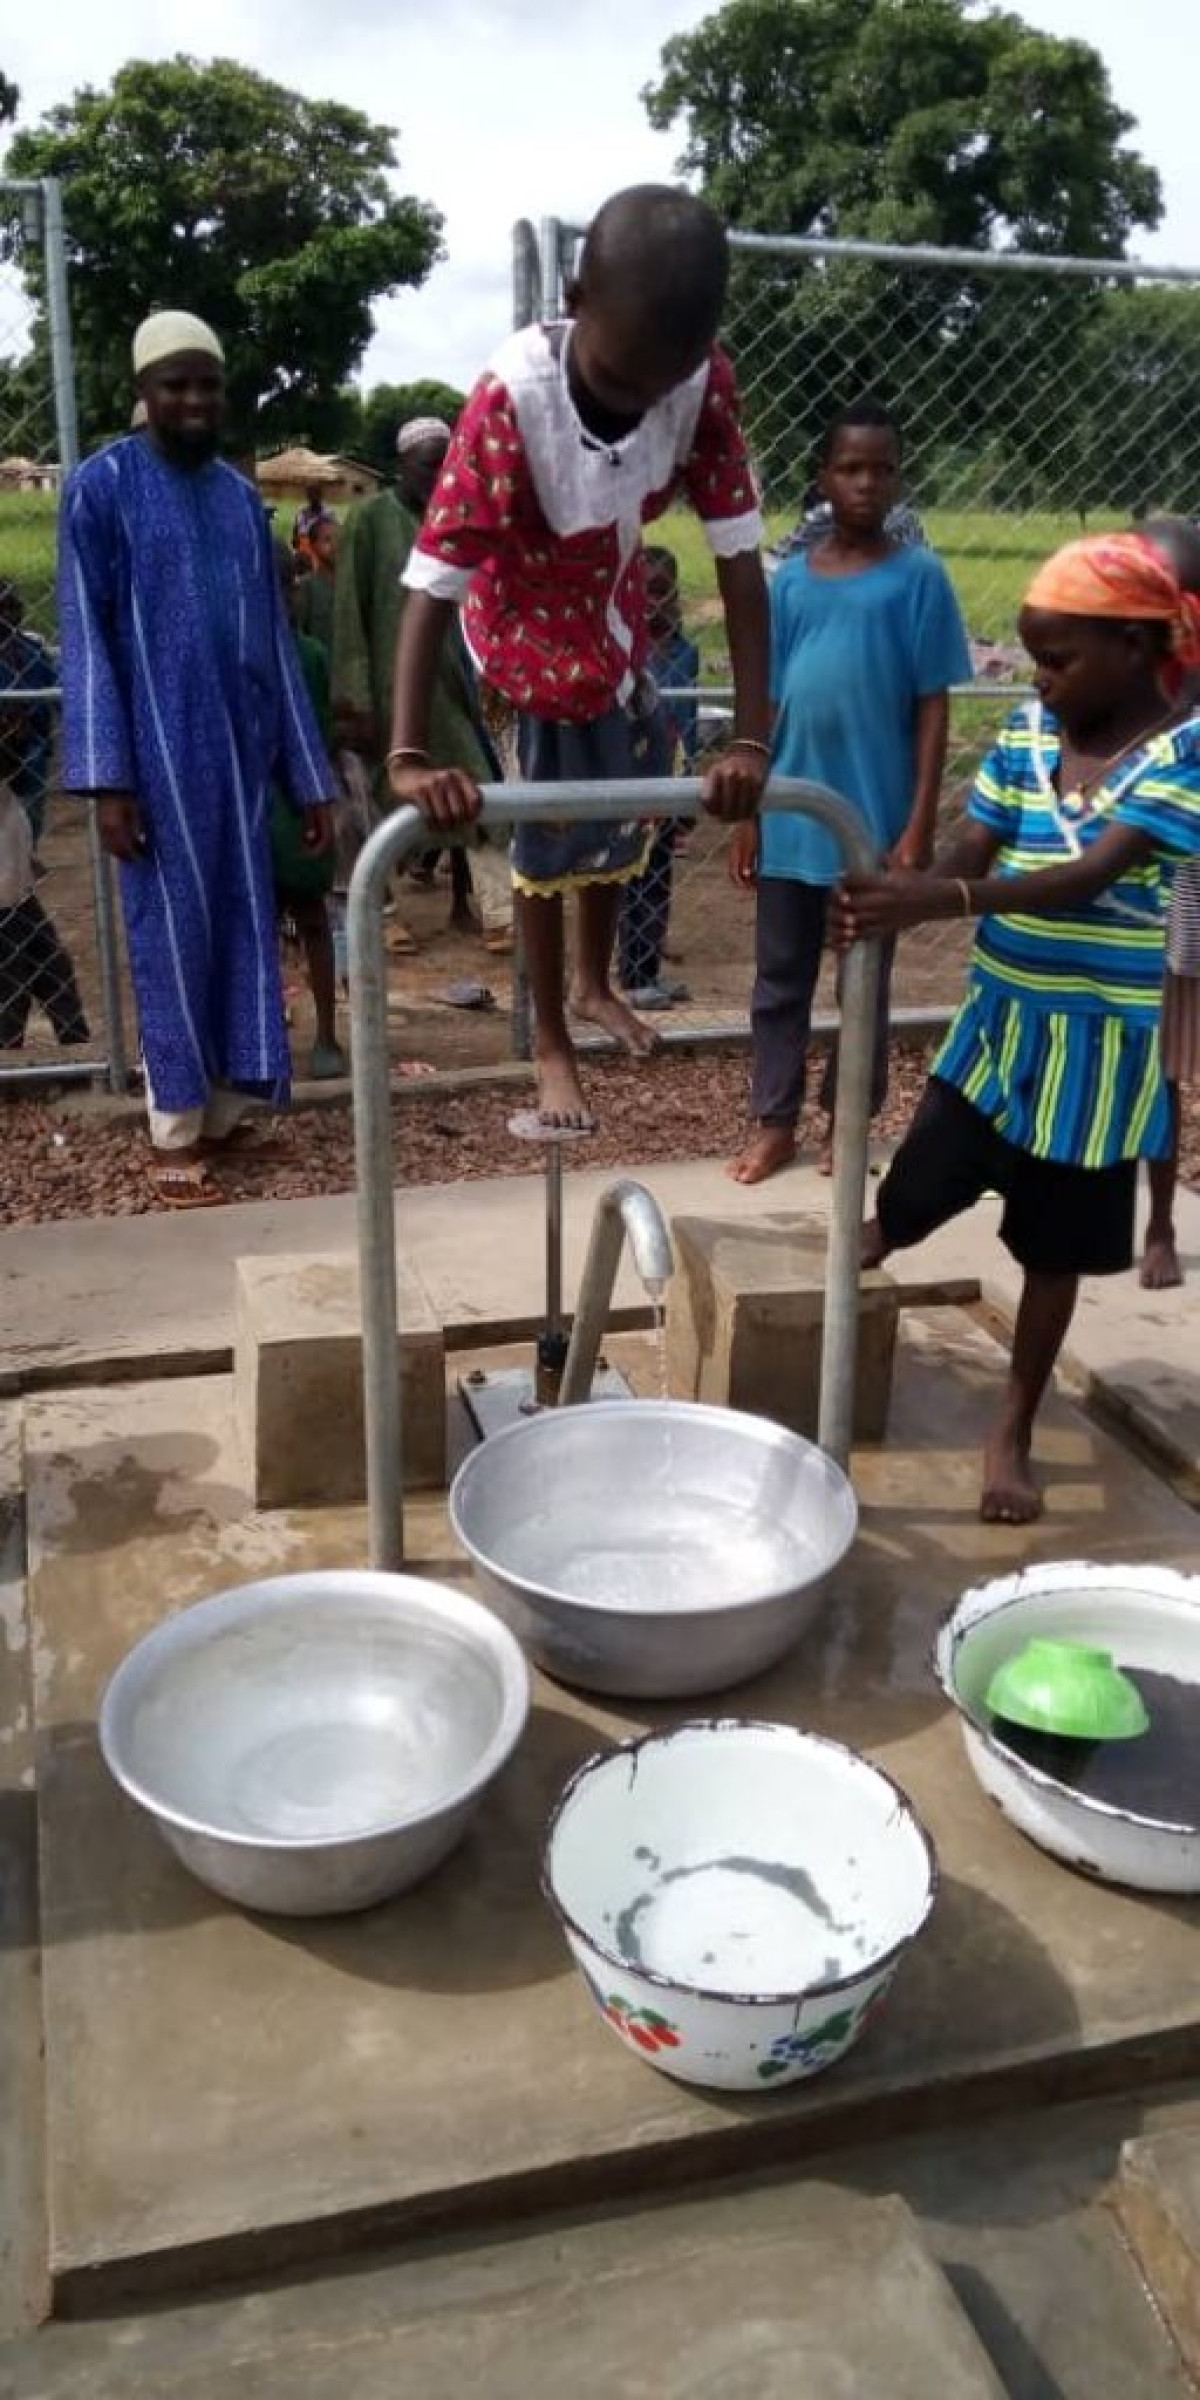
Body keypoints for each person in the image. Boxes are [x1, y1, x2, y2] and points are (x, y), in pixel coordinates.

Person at [831, 532, 1200, 1525]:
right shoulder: (1031, 734)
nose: (1038, 678)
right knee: (913, 1188)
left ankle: (1012, 1427)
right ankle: (835, 1302)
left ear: (1134, 647)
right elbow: (974, 844)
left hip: (1098, 1053)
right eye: (1034, 658)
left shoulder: (1184, 755)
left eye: (1057, 659)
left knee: (1054, 1248)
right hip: (998, 1026)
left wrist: (938, 899)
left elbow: (1089, 875)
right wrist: (904, 893)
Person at [389, 183, 771, 1129]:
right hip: (518, 625)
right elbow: (433, 582)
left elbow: (739, 558)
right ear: (575, 301)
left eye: (659, 384)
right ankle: (552, 1041)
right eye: (618, 378)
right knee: (547, 829)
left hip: (609, 606)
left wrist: (752, 739)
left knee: (621, 797)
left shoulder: (702, 385)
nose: (636, 403)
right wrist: (407, 756)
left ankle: (597, 984)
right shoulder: (511, 400)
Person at [57, 310, 336, 1209]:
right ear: (144, 391)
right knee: (171, 935)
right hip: (156, 761)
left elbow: (277, 646)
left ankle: (223, 1111)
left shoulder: (237, 501)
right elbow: (86, 635)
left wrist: (309, 779)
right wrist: (109, 779)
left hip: (242, 759)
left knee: (243, 930)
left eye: (207, 385)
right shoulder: (101, 488)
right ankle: (173, 1127)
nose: (193, 401)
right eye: (175, 385)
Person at [728, 397, 970, 1184]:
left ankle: (848, 1122)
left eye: (882, 469)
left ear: (898, 480)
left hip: (872, 826)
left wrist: (918, 825)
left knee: (862, 982)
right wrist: (751, 813)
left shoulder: (919, 578)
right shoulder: (792, 583)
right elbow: (767, 704)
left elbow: (932, 706)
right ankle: (774, 1122)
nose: (867, 483)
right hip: (792, 820)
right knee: (779, 980)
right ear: (823, 477)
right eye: (851, 468)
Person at [331, 416, 512, 954]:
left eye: (447, 464)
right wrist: (355, 696)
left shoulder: (464, 518)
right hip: (387, 692)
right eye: (430, 466)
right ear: (402, 466)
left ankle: (500, 912)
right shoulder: (369, 520)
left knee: (479, 787)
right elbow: (349, 609)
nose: (440, 477)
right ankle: (383, 913)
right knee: (378, 802)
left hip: (456, 686)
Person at [1136, 517, 1200, 1288]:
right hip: (1133, 894)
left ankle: (1159, 1224)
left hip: (1185, 889)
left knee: (1167, 1067)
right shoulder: (1111, 662)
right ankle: (1156, 1220)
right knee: (1157, 1069)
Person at [273, 544, 346, 1079]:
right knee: (293, 922)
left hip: (295, 802)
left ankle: (321, 1034)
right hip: (281, 802)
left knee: (307, 917)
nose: (289, 599)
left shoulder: (311, 655)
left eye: (290, 588)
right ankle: (307, 1037)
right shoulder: (244, 657)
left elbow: (320, 729)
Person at [617, 544, 700, 1009]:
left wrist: (690, 781)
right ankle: (631, 976)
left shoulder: (685, 653)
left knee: (658, 879)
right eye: (645, 592)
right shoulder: (627, 650)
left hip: (673, 779)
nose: (654, 603)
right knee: (632, 880)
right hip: (633, 778)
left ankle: (647, 970)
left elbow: (690, 721)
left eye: (662, 593)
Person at [0, 697, 89, 1051]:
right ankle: (10, 1068)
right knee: (12, 985)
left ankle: (79, 1052)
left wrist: (17, 731)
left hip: (18, 893)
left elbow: (19, 772)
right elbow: (11, 762)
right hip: (4, 902)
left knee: (54, 972)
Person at [0, 579, 56, 857]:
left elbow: (54, 691)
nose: (10, 614)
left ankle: (27, 853)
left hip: (28, 744)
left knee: (29, 806)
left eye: (14, 606)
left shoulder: (31, 649)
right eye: (3, 607)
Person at [294, 511, 338, 658]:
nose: (336, 545)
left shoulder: (353, 586)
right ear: (313, 546)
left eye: (340, 538)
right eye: (327, 540)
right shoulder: (307, 587)